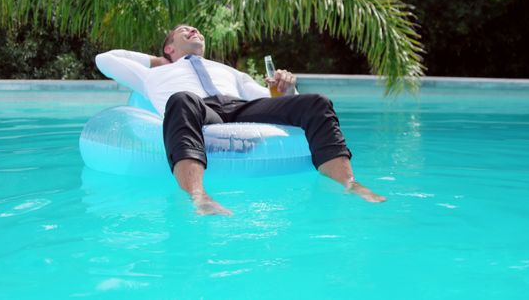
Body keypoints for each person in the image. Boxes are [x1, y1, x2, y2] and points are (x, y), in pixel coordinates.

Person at [95, 24, 385, 215]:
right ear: (168, 47)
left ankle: (348, 183)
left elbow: (271, 101)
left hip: (238, 108)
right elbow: (104, 59)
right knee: (181, 99)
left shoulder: (228, 71)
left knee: (316, 102)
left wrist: (289, 89)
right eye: (183, 31)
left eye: (195, 30)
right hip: (198, 110)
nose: (193, 29)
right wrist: (160, 61)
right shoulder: (151, 73)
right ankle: (199, 197)